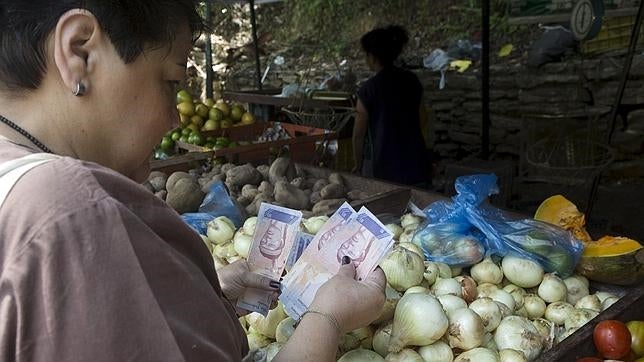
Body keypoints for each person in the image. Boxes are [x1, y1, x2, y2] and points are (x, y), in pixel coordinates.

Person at [0, 2, 385, 361]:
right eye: (170, 83)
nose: (175, 120)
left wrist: (205, 297)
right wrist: (327, 318)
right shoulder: (73, 213)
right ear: (80, 51)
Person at [353, 25, 431, 187]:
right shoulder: (412, 81)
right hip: (416, 162)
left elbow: (358, 136)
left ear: (372, 57)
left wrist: (358, 166)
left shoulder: (369, 89)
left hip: (385, 168)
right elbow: (423, 119)